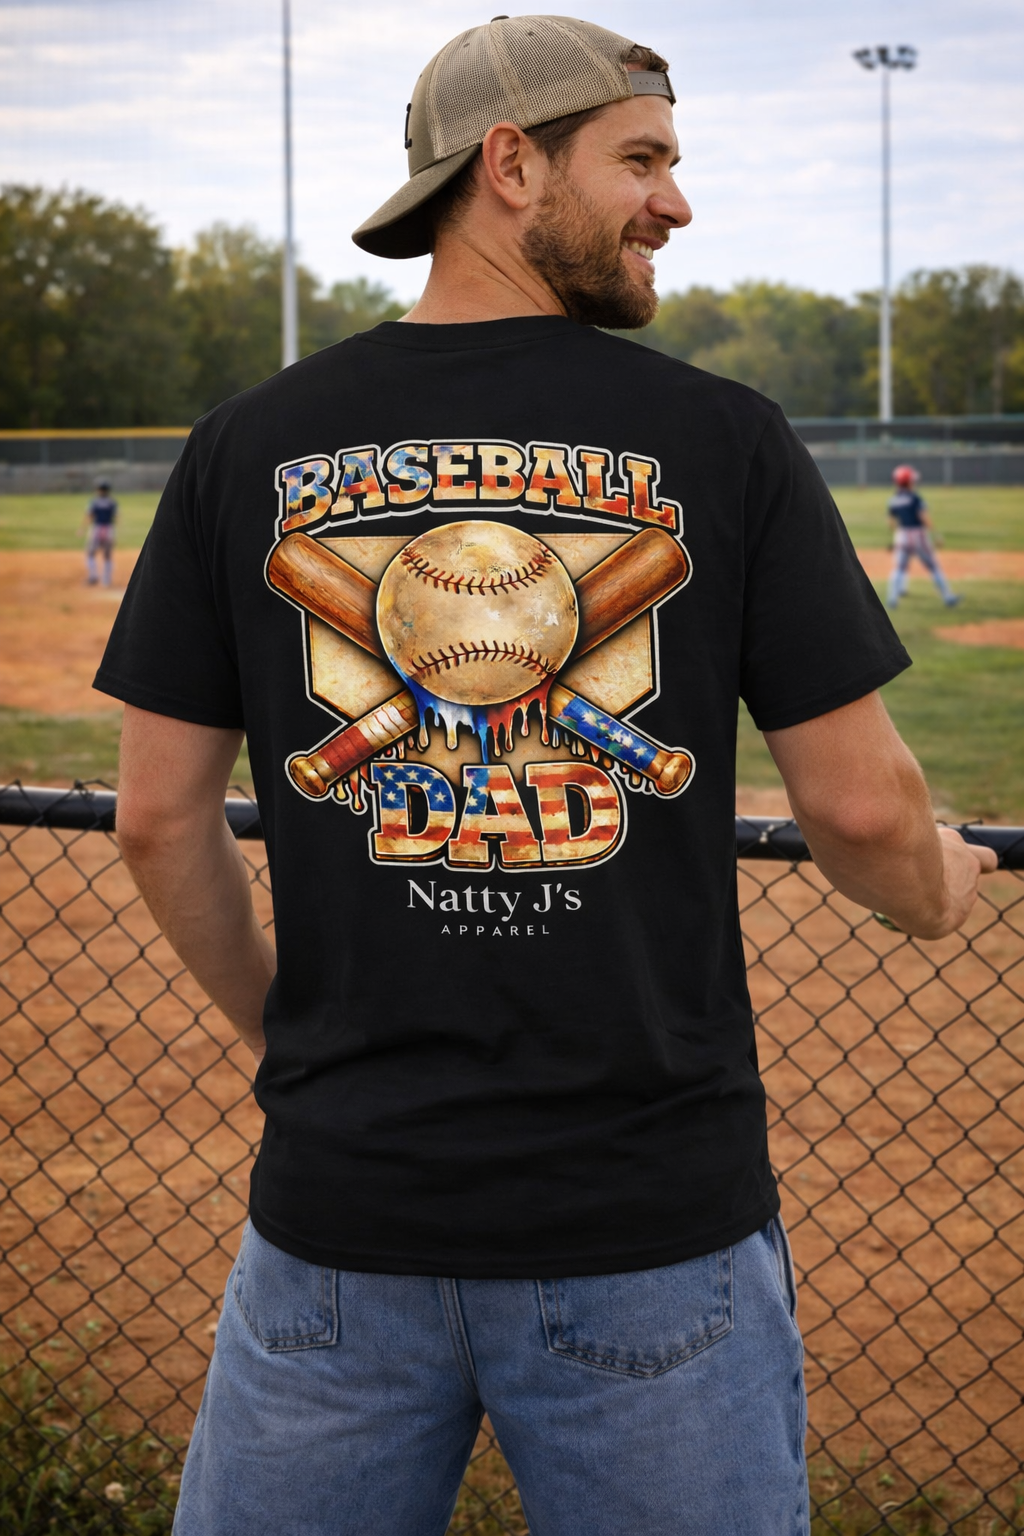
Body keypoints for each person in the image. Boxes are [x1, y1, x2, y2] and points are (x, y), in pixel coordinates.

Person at [94, 17, 996, 1535]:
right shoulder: (722, 438)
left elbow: (151, 819)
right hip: (646, 1234)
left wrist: (296, 1042)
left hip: (336, 1228)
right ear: (509, 165)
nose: (676, 203)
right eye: (641, 160)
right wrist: (938, 888)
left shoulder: (248, 443)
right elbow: (858, 809)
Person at [886, 464, 960, 609]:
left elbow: (891, 523)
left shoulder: (893, 499)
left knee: (899, 568)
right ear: (909, 481)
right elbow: (924, 517)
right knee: (933, 567)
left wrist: (897, 536)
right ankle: (948, 597)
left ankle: (892, 599)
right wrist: (936, 534)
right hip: (918, 535)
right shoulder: (915, 498)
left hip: (901, 534)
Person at [82, 477, 118, 587]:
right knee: (107, 555)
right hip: (109, 529)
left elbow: (89, 516)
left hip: (97, 528)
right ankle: (106, 580)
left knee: (90, 553)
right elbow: (116, 517)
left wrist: (82, 528)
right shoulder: (112, 502)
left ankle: (93, 577)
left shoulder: (94, 502)